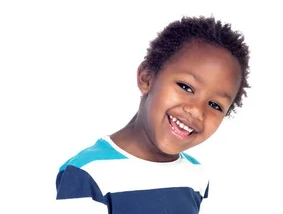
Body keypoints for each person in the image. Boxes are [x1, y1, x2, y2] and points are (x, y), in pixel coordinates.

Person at [54, 16, 250, 214]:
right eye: (185, 87)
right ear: (147, 77)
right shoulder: (88, 173)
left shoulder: (196, 175)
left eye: (215, 105)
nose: (197, 111)